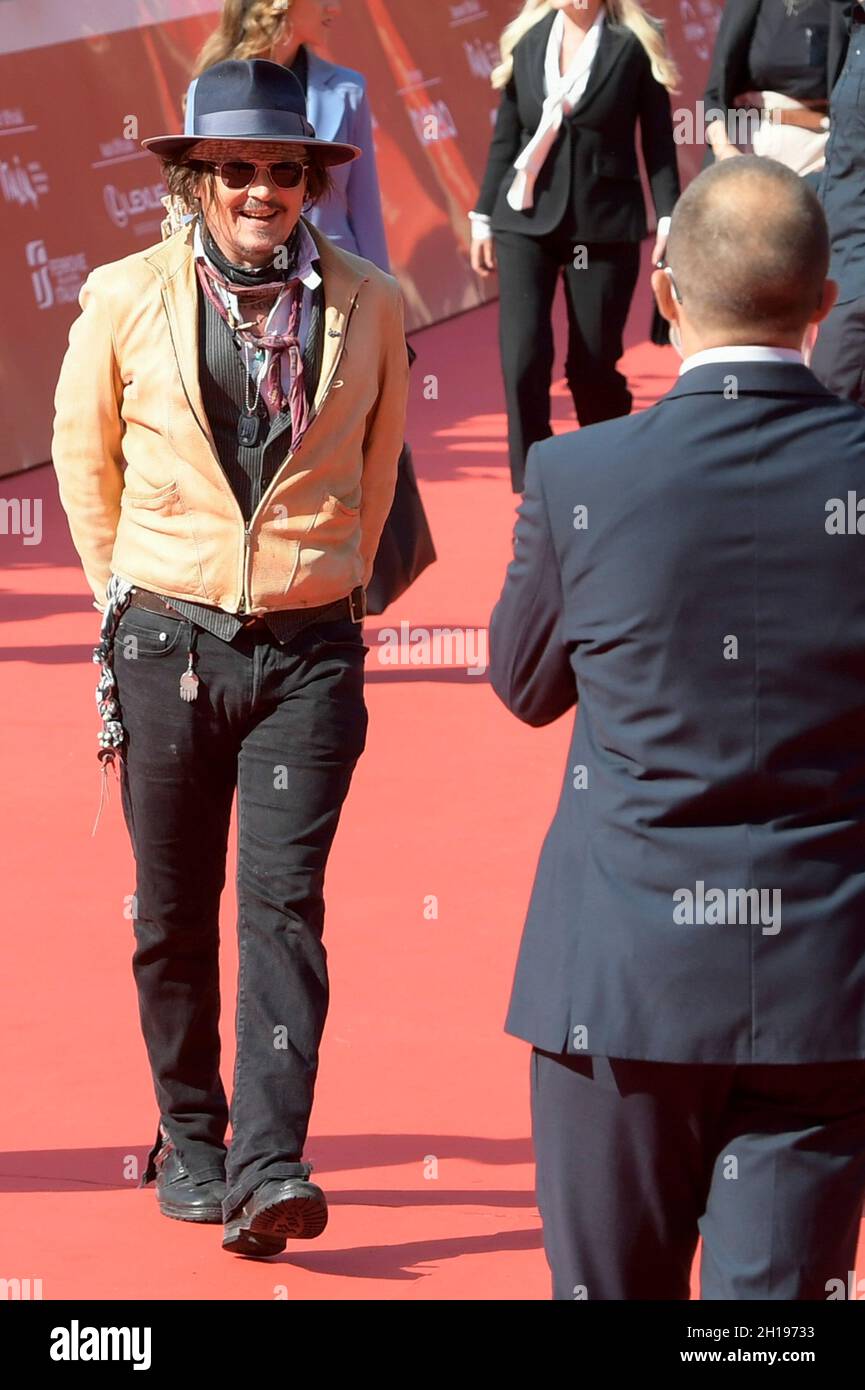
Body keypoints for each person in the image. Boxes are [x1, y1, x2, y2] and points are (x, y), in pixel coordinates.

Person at [488, 155, 865, 1300]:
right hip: (825, 986)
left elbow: (521, 683)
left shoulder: (577, 473)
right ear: (825, 301)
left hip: (620, 985)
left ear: (660, 289)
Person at [51, 59, 408, 1257]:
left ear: (311, 182)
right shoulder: (121, 295)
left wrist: (326, 582)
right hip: (165, 642)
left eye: (284, 170)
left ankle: (269, 1166)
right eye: (239, 169)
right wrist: (133, 591)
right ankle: (191, 1135)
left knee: (282, 909)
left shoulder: (371, 301)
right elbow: (83, 461)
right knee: (168, 913)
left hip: (309, 653)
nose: (263, 190)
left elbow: (379, 462)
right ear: (196, 177)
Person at [469, 0, 680, 493]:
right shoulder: (528, 41)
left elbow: (658, 143)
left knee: (592, 363)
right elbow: (508, 136)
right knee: (522, 355)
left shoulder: (632, 45)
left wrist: (670, 215)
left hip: (604, 224)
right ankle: (534, 481)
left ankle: (607, 473)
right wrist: (481, 216)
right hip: (523, 217)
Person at [194, 0, 390, 269]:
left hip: (334, 284)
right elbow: (197, 201)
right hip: (236, 281)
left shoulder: (349, 90)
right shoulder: (206, 94)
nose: (334, 8)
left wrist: (381, 295)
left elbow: (366, 212)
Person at [702, 0, 847, 179]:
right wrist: (723, 149)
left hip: (818, 157)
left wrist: (837, 157)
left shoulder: (847, 7)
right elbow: (714, 94)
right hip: (744, 155)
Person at [809, 1, 865, 403]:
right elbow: (847, 161)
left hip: (857, 280)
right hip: (841, 257)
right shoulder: (855, 27)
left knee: (826, 412)